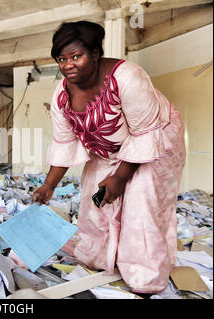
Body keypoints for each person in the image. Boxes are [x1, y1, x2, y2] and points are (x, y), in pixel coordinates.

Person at [32, 21, 186, 294]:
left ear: (94, 53)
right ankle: (102, 260)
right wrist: (49, 186)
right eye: (62, 59)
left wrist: (121, 177)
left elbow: (143, 134)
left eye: (76, 56)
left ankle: (145, 279)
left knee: (142, 205)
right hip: (107, 149)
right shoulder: (61, 96)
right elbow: (65, 143)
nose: (68, 65)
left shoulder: (127, 77)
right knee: (95, 200)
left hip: (156, 139)